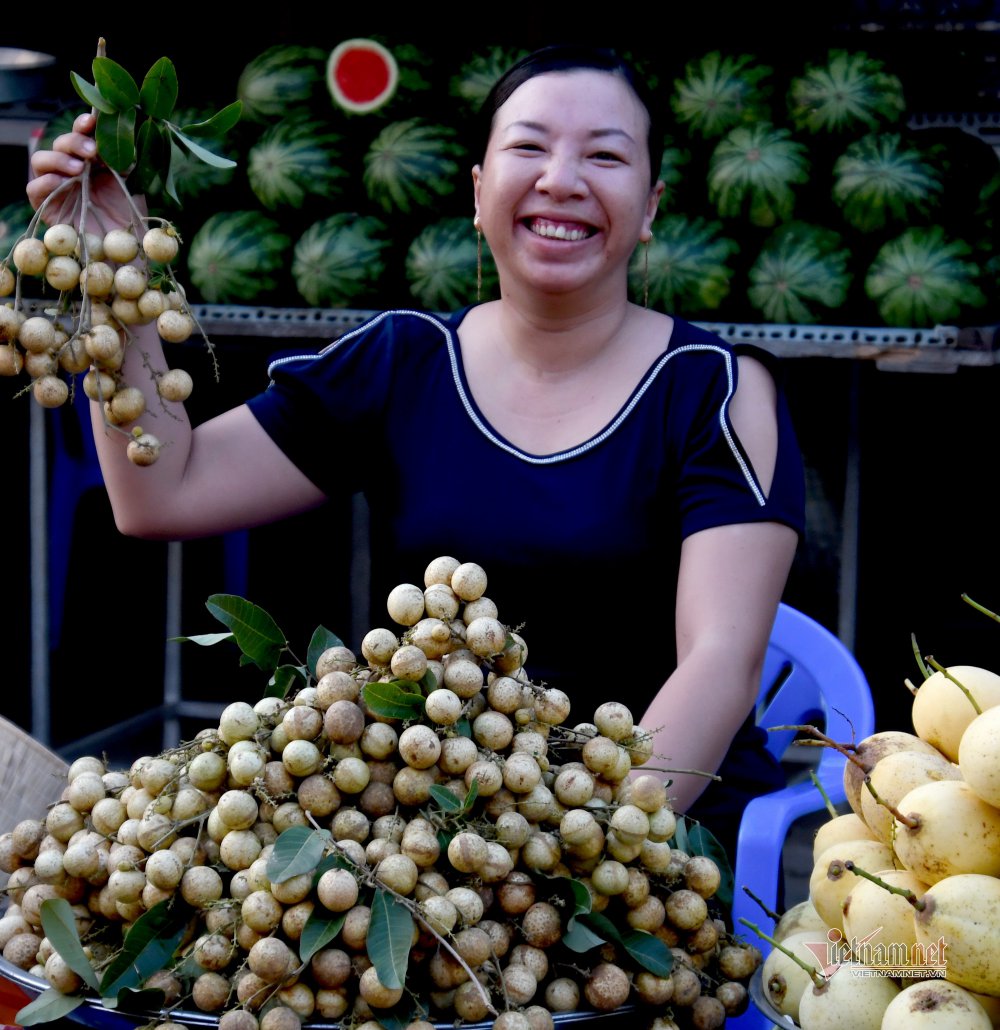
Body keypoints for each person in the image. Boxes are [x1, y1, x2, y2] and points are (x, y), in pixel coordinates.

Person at [28, 45, 803, 853]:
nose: (562, 180)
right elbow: (163, 492)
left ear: (649, 207)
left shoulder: (716, 388)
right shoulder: (402, 365)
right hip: (430, 838)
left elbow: (720, 661)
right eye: (529, 148)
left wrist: (584, 852)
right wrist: (106, 268)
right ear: (478, 192)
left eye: (604, 156)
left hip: (647, 851)